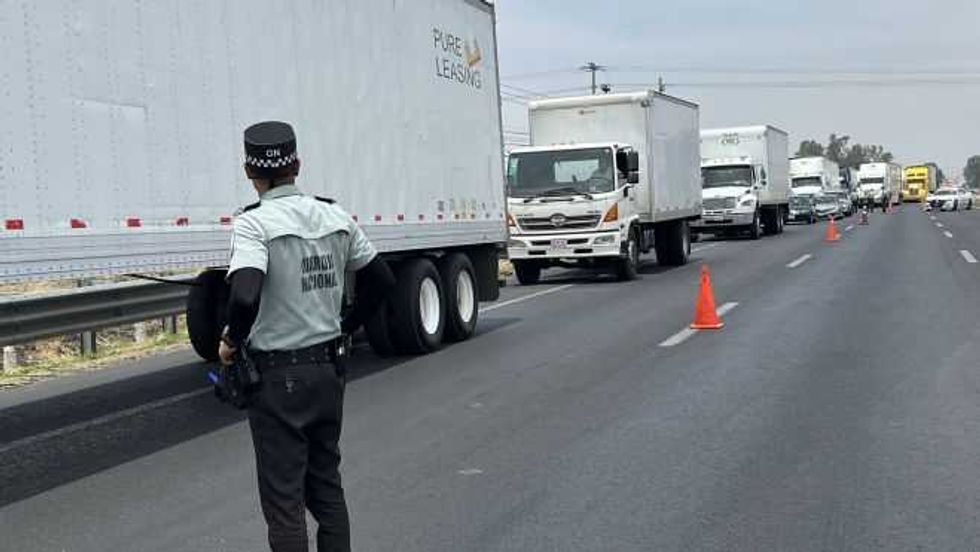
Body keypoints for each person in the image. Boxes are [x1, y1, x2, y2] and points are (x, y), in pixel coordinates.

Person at [219, 121, 395, 552]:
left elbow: (244, 295)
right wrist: (348, 326)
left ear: (249, 172)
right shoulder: (335, 216)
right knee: (326, 489)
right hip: (327, 369)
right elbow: (382, 281)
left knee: (285, 503)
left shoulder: (253, 225)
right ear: (297, 164)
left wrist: (229, 343)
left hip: (278, 380)